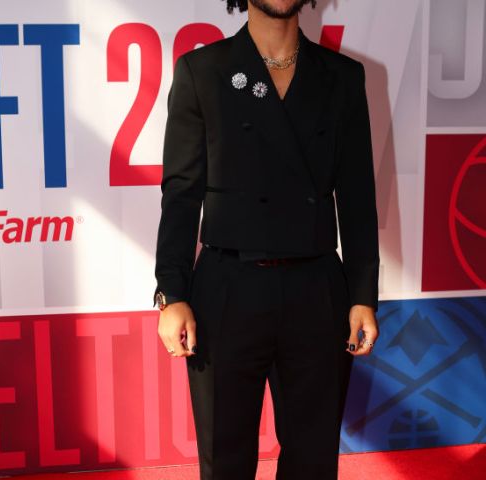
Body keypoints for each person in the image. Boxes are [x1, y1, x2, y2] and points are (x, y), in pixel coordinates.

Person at [152, 0, 380, 478]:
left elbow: (358, 196)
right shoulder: (203, 71)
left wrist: (362, 295)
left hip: (316, 291)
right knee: (226, 459)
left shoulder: (342, 77)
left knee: (313, 459)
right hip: (227, 290)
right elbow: (180, 193)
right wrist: (172, 292)